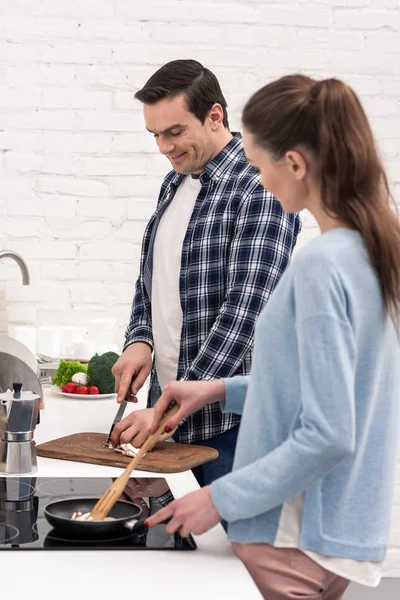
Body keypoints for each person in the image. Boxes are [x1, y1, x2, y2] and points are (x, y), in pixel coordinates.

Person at [145, 74, 400, 600]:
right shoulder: (373, 252)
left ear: (296, 165)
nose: (257, 182)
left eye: (259, 167)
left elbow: (328, 432)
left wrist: (218, 499)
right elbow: (326, 385)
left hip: (291, 533)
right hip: (342, 531)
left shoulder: (322, 266)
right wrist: (219, 389)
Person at [111, 60, 300, 487]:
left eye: (174, 132)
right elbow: (152, 280)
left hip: (234, 432)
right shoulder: (174, 183)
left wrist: (166, 409)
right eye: (155, 135)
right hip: (169, 425)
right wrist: (140, 338)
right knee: (178, 549)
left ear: (215, 115)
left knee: (237, 552)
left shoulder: (259, 186)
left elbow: (247, 313)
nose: (163, 146)